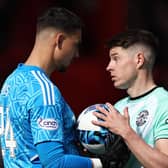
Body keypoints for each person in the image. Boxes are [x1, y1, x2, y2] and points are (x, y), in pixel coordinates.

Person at [0, 7, 105, 168]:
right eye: (75, 45)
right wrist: (102, 163)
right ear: (60, 40)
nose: (77, 54)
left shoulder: (11, 82)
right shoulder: (43, 91)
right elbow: (54, 162)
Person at [92, 29, 168, 168]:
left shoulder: (164, 104)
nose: (109, 67)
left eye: (116, 58)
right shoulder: (117, 107)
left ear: (139, 60)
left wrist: (126, 132)